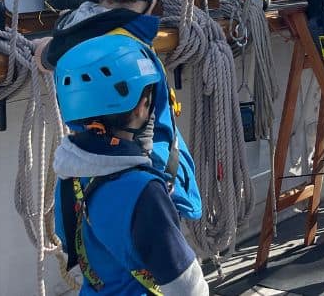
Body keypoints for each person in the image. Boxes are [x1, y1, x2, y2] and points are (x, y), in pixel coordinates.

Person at [37, 0, 201, 219]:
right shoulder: (128, 55)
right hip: (147, 199)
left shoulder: (72, 34)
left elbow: (44, 57)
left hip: (93, 193)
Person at [52, 34, 210, 295]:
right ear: (142, 107)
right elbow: (188, 288)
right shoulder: (144, 191)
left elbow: (72, 246)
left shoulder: (69, 174)